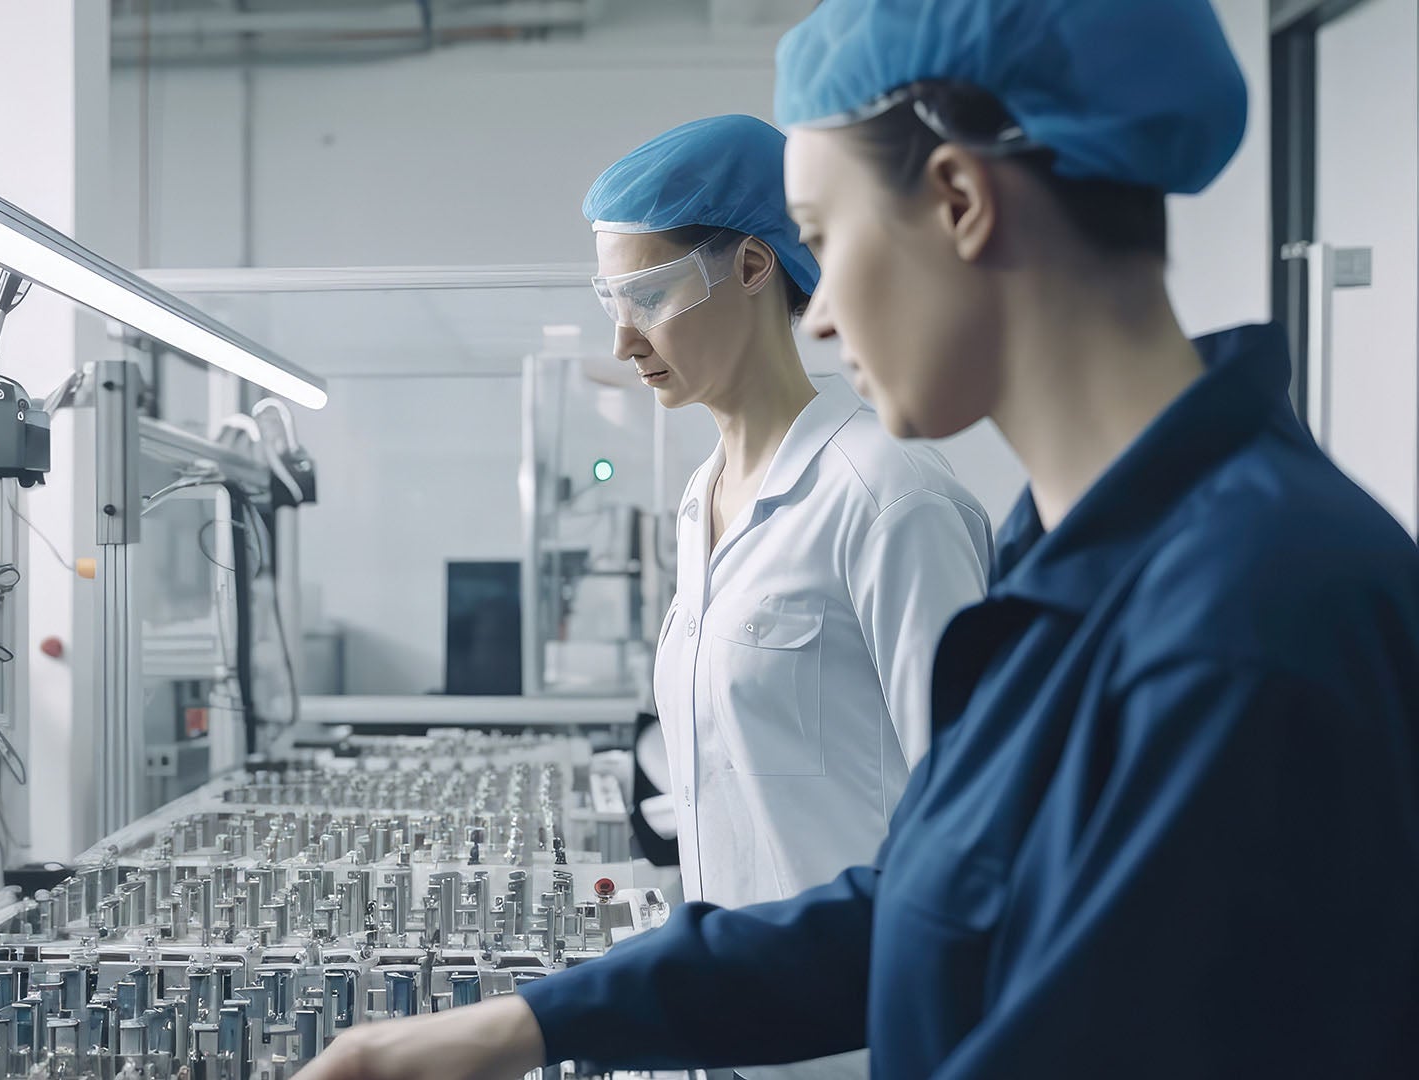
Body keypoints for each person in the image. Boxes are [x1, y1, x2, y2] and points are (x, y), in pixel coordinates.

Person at [296, 1, 1419, 1078]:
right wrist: (529, 1023)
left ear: (962, 201)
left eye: (826, 241)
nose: (820, 313)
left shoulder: (1252, 613)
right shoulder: (1079, 561)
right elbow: (931, 909)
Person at [587, 115, 992, 1080]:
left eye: (648, 295)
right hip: (733, 1032)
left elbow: (978, 837)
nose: (622, 338)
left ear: (756, 266)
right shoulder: (699, 502)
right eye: (609, 299)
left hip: (862, 1046)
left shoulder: (890, 498)